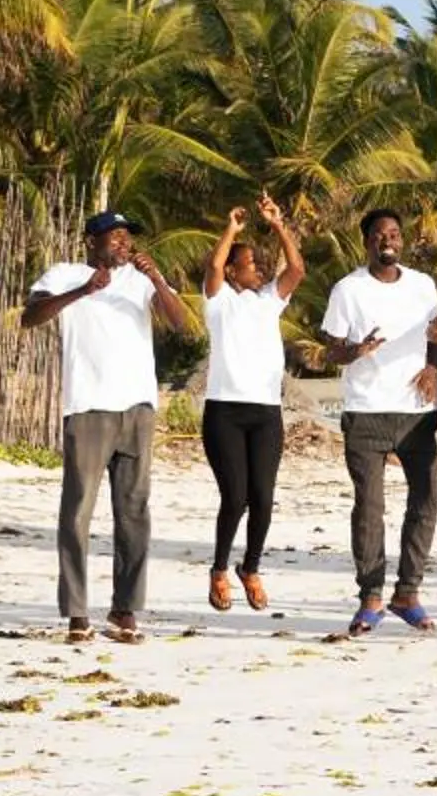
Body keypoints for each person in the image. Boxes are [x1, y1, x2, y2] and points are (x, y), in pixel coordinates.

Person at [22, 212, 187, 643]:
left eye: (127, 237)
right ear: (91, 241)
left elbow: (180, 323)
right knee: (78, 511)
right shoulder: (65, 273)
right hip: (88, 406)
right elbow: (30, 317)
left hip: (138, 407)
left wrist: (158, 280)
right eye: (114, 236)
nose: (123, 243)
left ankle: (125, 608)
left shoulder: (141, 279)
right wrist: (83, 290)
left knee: (134, 511)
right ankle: (77, 612)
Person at [315, 209, 437, 634]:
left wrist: (434, 367)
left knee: (426, 501)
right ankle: (371, 596)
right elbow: (331, 351)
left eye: (394, 233)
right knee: (370, 505)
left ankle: (407, 592)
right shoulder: (348, 289)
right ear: (367, 242)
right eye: (379, 235)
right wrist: (355, 352)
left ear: (403, 240)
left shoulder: (422, 285)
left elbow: (436, 333)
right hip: (366, 409)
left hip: (416, 410)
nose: (388, 240)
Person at [198, 195, 304, 614]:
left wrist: (278, 224)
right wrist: (231, 230)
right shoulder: (218, 301)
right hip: (225, 410)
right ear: (232, 271)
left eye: (260, 263)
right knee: (235, 496)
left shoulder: (269, 301)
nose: (258, 269)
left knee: (262, 496)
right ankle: (220, 569)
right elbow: (211, 268)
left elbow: (296, 270)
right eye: (250, 264)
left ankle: (251, 568)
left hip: (265, 412)